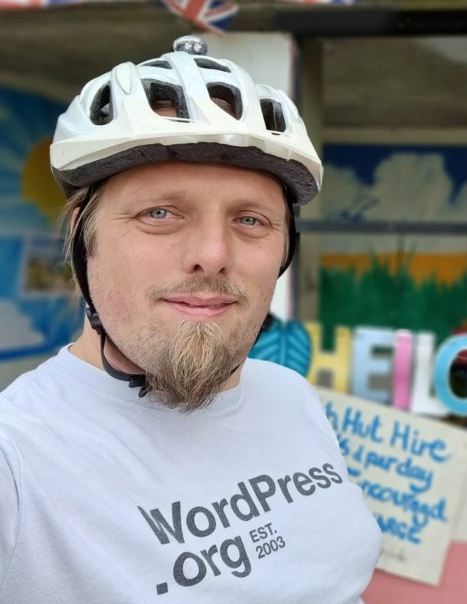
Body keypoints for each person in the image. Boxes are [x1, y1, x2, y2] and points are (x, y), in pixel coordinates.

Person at [0, 36, 382, 602]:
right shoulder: (19, 459)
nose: (213, 252)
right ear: (83, 235)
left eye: (251, 220)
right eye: (160, 212)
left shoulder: (291, 396)